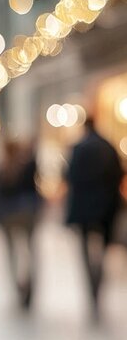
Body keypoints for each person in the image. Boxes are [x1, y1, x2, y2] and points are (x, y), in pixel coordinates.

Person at [66, 119, 124, 319]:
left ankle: (92, 282)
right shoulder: (107, 147)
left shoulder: (79, 148)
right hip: (105, 206)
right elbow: (118, 173)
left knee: (84, 248)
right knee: (104, 247)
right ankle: (98, 277)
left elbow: (70, 176)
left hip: (84, 208)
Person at [0, 141, 41, 310]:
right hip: (26, 214)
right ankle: (29, 283)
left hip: (8, 215)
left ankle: (18, 285)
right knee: (29, 250)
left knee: (11, 253)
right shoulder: (26, 167)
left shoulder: (3, 168)